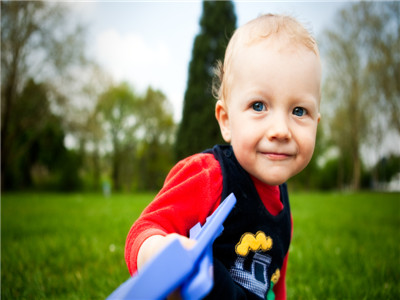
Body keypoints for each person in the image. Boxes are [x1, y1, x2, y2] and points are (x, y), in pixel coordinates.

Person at [125, 14, 321, 300]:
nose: (280, 130)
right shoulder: (209, 176)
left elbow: (274, 279)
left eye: (299, 111)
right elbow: (143, 230)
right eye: (258, 105)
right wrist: (160, 252)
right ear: (226, 120)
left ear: (317, 121)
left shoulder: (282, 202)